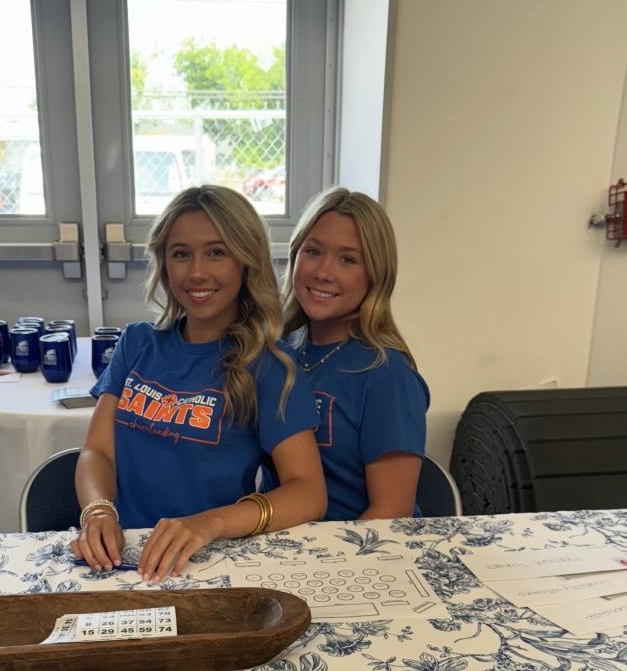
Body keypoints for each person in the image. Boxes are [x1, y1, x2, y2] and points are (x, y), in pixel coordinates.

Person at [71, 185, 326, 580]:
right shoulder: (137, 342)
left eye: (216, 252)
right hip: (121, 558)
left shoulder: (268, 365)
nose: (196, 272)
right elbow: (97, 452)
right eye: (181, 254)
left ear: (246, 262)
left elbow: (308, 493)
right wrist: (98, 512)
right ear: (164, 264)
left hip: (206, 561)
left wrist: (210, 523)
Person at [273, 186, 429, 521]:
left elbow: (391, 513)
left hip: (357, 546)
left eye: (348, 259)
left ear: (376, 275)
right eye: (313, 251)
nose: (323, 272)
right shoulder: (280, 351)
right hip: (282, 540)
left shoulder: (389, 376)